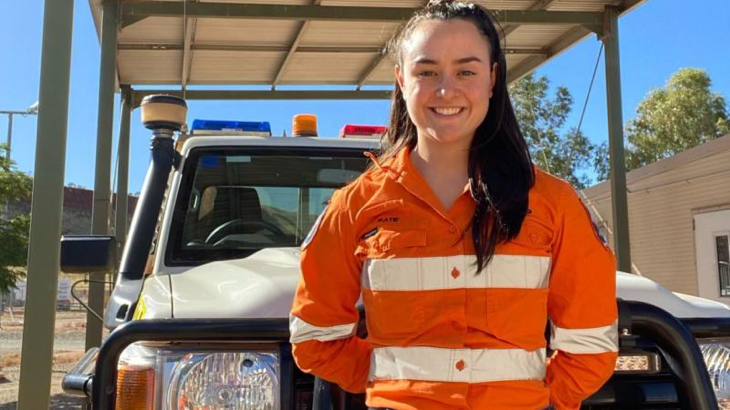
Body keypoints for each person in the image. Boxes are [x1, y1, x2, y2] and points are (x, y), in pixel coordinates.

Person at [289, 1, 618, 409]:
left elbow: (591, 345)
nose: (446, 90)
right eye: (427, 72)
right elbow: (315, 340)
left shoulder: (556, 203)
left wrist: (538, 400)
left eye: (466, 71)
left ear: (493, 78)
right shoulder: (354, 206)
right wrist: (393, 383)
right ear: (401, 80)